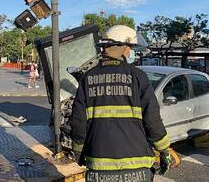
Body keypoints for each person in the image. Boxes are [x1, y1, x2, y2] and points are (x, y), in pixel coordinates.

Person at [71, 25, 172, 181]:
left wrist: (78, 151)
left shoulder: (87, 78)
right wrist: (164, 150)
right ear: (123, 48)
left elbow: (78, 121)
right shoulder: (138, 77)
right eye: (130, 48)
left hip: (99, 168)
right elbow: (152, 119)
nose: (131, 52)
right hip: (137, 169)